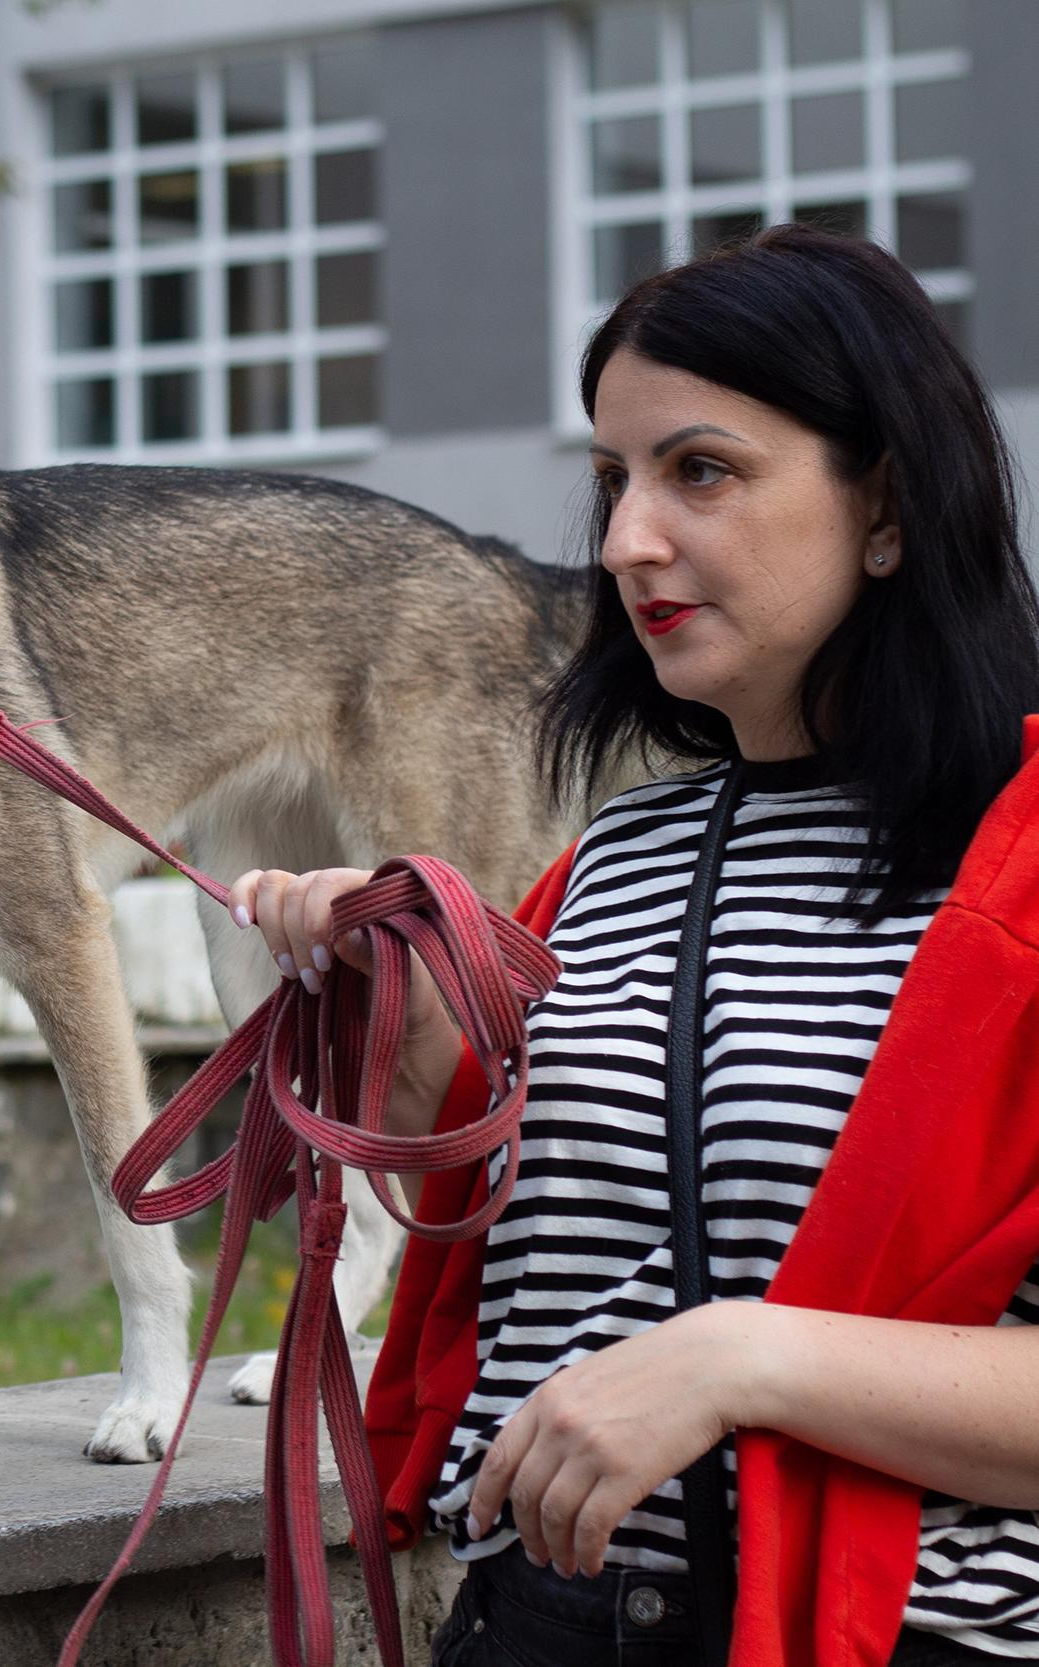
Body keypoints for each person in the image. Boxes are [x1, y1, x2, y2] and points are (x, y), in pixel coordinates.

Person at [232, 224, 1039, 1667]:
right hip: (536, 1626)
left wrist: (744, 1360)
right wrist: (414, 1036)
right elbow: (517, 1261)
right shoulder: (605, 864)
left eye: (702, 472)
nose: (624, 543)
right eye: (612, 480)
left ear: (888, 509)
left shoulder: (1022, 868)